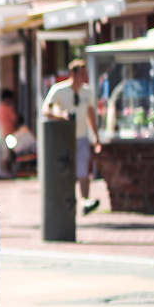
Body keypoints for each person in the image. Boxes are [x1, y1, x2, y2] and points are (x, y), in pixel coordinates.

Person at [43, 58, 102, 214]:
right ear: (73, 74)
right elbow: (46, 110)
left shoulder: (88, 92)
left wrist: (95, 136)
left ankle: (85, 201)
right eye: (81, 73)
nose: (83, 77)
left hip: (81, 136)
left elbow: (90, 114)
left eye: (85, 73)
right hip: (63, 138)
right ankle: (64, 203)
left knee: (83, 170)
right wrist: (61, 115)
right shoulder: (58, 90)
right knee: (64, 171)